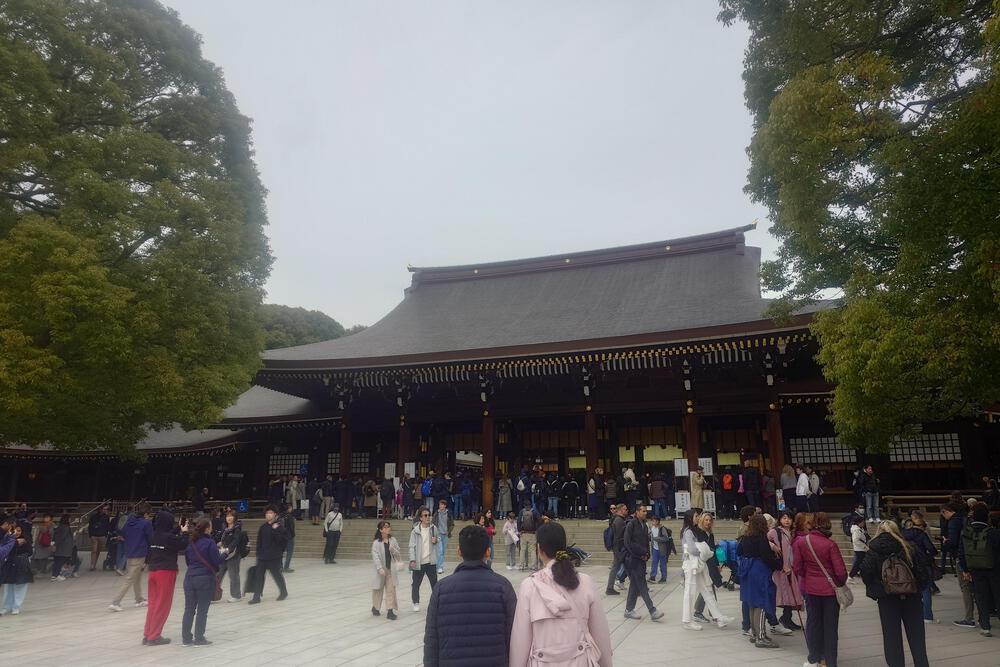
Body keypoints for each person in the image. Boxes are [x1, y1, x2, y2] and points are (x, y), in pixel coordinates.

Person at [509, 521, 613, 667]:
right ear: (564, 547)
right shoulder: (585, 582)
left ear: (539, 549)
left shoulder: (529, 586)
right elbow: (600, 634)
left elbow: (520, 640)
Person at [423, 525, 516, 666]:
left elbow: (431, 639)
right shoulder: (503, 587)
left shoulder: (441, 589)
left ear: (459, 551)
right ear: (488, 552)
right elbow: (514, 636)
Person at [861, 521, 931, 667]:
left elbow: (866, 574)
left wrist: (878, 591)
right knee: (917, 636)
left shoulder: (873, 550)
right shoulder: (908, 547)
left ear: (879, 531)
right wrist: (917, 588)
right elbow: (923, 570)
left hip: (887, 598)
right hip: (912, 596)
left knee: (891, 638)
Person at [793, 512, 847, 667]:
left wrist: (808, 576)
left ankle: (814, 656)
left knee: (813, 624)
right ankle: (830, 661)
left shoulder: (802, 542)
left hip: (811, 588)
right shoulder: (830, 545)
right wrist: (838, 582)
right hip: (830, 591)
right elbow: (841, 572)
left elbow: (797, 567)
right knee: (830, 628)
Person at [143, 510, 188, 646]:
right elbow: (183, 544)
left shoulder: (154, 535)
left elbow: (167, 535)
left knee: (153, 603)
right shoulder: (168, 538)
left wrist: (178, 528)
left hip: (153, 571)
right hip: (166, 571)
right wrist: (184, 531)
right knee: (163, 604)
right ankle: (154, 636)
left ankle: (147, 634)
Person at [681, 509, 731, 630]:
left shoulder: (694, 530)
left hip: (699, 563)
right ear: (690, 518)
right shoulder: (688, 532)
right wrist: (706, 552)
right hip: (692, 564)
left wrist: (705, 551)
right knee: (690, 591)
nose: (698, 518)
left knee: (707, 590)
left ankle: (718, 617)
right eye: (696, 516)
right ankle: (687, 620)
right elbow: (692, 550)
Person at [738, 514, 783, 648]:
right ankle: (761, 637)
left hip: (748, 570)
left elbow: (739, 551)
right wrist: (779, 566)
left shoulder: (745, 537)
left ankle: (754, 633)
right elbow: (766, 557)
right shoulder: (761, 537)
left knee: (752, 603)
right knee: (762, 603)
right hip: (759, 571)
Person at [958, 502, 1000, 637]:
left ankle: (985, 626)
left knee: (980, 597)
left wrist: (965, 569)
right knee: (997, 595)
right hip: (994, 569)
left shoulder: (966, 532)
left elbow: (961, 552)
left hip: (975, 569)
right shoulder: (993, 532)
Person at [181, 518, 223, 646]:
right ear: (207, 529)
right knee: (202, 610)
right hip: (204, 579)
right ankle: (199, 637)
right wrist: (225, 554)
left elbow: (188, 562)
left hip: (189, 578)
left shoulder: (191, 543)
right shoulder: (210, 543)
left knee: (189, 609)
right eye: (210, 527)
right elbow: (216, 561)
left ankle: (186, 638)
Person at [622, 504, 663, 621]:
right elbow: (627, 543)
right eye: (643, 511)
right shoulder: (631, 524)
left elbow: (646, 542)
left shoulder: (644, 526)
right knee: (642, 585)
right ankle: (652, 610)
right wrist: (640, 553)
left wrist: (647, 554)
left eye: (646, 511)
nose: (645, 513)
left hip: (642, 559)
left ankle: (628, 610)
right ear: (637, 512)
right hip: (633, 559)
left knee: (635, 585)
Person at [109, 501, 153, 612]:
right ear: (147, 513)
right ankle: (116, 602)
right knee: (129, 578)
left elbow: (123, 532)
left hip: (129, 552)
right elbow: (150, 538)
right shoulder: (146, 523)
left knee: (137, 576)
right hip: (140, 553)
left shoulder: (130, 521)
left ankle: (139, 599)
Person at [940, 503, 977, 628]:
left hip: (961, 557)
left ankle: (969, 617)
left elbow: (955, 542)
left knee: (965, 587)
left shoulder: (952, 523)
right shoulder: (964, 520)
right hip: (973, 557)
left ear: (945, 511)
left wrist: (946, 543)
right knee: (975, 587)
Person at [767, 510, 803, 632]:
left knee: (790, 595)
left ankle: (786, 618)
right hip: (780, 569)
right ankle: (776, 620)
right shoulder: (775, 531)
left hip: (790, 569)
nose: (786, 520)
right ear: (779, 520)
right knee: (781, 595)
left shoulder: (791, 533)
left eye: (789, 518)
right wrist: (773, 546)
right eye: (784, 518)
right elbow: (764, 541)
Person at [902, 511, 938, 624]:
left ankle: (911, 614)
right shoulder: (921, 534)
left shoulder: (902, 534)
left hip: (908, 563)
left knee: (910, 589)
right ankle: (927, 615)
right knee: (925, 589)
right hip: (922, 563)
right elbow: (931, 549)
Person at [248, 506, 288, 604]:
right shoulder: (263, 527)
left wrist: (275, 530)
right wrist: (258, 553)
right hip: (262, 556)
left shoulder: (279, 527)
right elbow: (259, 541)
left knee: (276, 575)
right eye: (267, 513)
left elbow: (282, 542)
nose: (268, 515)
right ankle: (256, 597)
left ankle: (283, 592)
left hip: (274, 557)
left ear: (275, 514)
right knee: (259, 576)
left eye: (270, 513)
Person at [409, 505, 439, 612]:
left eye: (429, 515)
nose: (428, 517)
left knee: (435, 584)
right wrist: (412, 559)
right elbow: (411, 546)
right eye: (425, 515)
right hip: (419, 562)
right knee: (416, 584)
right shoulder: (415, 531)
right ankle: (416, 602)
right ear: (421, 518)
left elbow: (438, 539)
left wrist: (436, 540)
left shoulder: (434, 528)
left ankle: (437, 603)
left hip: (430, 561)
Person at [0, 521, 33, 615]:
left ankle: (16, 606)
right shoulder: (8, 540)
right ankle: (6, 607)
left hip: (21, 565)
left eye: (19, 530)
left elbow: (29, 553)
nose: (16, 532)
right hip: (9, 566)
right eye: (14, 530)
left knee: (20, 588)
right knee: (8, 588)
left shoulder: (26, 541)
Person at [371, 520, 401, 620]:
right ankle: (375, 607)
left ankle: (390, 611)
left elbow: (398, 554)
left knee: (391, 590)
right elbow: (375, 557)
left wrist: (393, 549)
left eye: (388, 526)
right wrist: (380, 568)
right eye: (385, 527)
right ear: (380, 530)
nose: (388, 528)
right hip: (381, 570)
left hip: (391, 569)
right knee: (378, 590)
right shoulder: (376, 543)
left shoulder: (393, 540)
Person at [218, 510, 244, 602]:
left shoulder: (237, 528)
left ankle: (236, 595)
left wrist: (228, 549)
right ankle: (213, 594)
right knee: (218, 574)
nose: (229, 518)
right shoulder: (224, 528)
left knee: (233, 575)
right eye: (227, 516)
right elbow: (222, 539)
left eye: (231, 516)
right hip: (223, 554)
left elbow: (236, 541)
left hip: (233, 555)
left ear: (235, 517)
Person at [604, 503, 627, 595]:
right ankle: (638, 588)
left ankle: (609, 588)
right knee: (629, 568)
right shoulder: (619, 521)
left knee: (616, 568)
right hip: (619, 548)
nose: (627, 510)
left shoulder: (616, 519)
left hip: (617, 548)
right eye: (625, 509)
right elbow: (620, 537)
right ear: (620, 510)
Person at [648, 515, 674, 583]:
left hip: (662, 549)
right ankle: (652, 576)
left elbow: (666, 538)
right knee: (654, 563)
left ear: (657, 521)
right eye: (652, 520)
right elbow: (650, 536)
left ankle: (663, 577)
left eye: (653, 521)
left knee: (662, 564)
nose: (652, 522)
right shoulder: (652, 528)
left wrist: (656, 538)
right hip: (654, 548)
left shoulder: (662, 528)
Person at [433, 499, 454, 574]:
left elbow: (452, 524)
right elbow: (433, 523)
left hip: (445, 534)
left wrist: (449, 531)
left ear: (445, 505)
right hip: (438, 534)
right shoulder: (436, 513)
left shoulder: (449, 513)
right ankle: (440, 567)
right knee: (440, 551)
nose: (440, 506)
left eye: (442, 505)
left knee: (443, 551)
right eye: (439, 505)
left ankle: (437, 565)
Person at [517, 502, 540, 572]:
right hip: (532, 534)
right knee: (532, 550)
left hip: (523, 533)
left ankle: (521, 566)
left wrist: (519, 530)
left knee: (522, 550)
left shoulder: (522, 511)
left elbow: (518, 521)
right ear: (531, 505)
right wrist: (537, 530)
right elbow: (539, 521)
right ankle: (533, 566)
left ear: (524, 505)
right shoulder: (534, 511)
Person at [51, 514, 75, 581]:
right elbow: (61, 537)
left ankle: (55, 575)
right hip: (63, 548)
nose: (70, 520)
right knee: (59, 561)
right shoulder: (65, 527)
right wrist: (55, 544)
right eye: (69, 519)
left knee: (57, 561)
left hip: (61, 547)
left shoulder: (60, 527)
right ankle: (56, 575)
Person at [87, 504, 111, 571]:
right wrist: (90, 535)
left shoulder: (106, 517)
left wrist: (105, 534)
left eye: (106, 509)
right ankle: (92, 565)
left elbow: (107, 526)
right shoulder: (93, 516)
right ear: (100, 509)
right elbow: (90, 525)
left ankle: (94, 564)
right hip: (94, 535)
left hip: (102, 535)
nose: (105, 510)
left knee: (98, 551)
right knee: (94, 550)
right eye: (104, 509)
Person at [847, 514, 869, 582]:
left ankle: (861, 574)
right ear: (858, 523)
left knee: (861, 563)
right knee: (857, 564)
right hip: (860, 549)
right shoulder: (856, 530)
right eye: (862, 522)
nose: (864, 524)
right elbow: (855, 540)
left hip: (861, 549)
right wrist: (864, 546)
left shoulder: (860, 529)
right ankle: (851, 576)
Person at [279, 502, 296, 573]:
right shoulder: (290, 516)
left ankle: (280, 567)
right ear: (289, 508)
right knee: (289, 552)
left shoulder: (280, 516)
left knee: (281, 552)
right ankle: (286, 567)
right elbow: (291, 527)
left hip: (281, 536)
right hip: (289, 536)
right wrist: (293, 535)